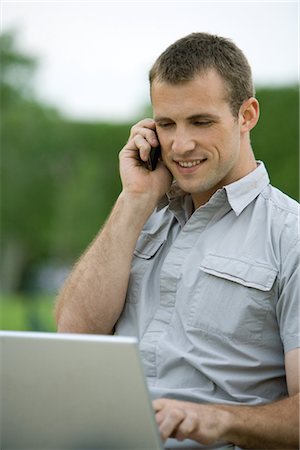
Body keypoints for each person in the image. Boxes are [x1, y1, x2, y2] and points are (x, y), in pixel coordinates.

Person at [55, 33, 299, 449]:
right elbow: (72, 334)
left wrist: (218, 420)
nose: (180, 145)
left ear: (247, 115)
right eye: (166, 124)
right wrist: (134, 200)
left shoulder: (290, 235)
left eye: (201, 122)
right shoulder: (139, 219)